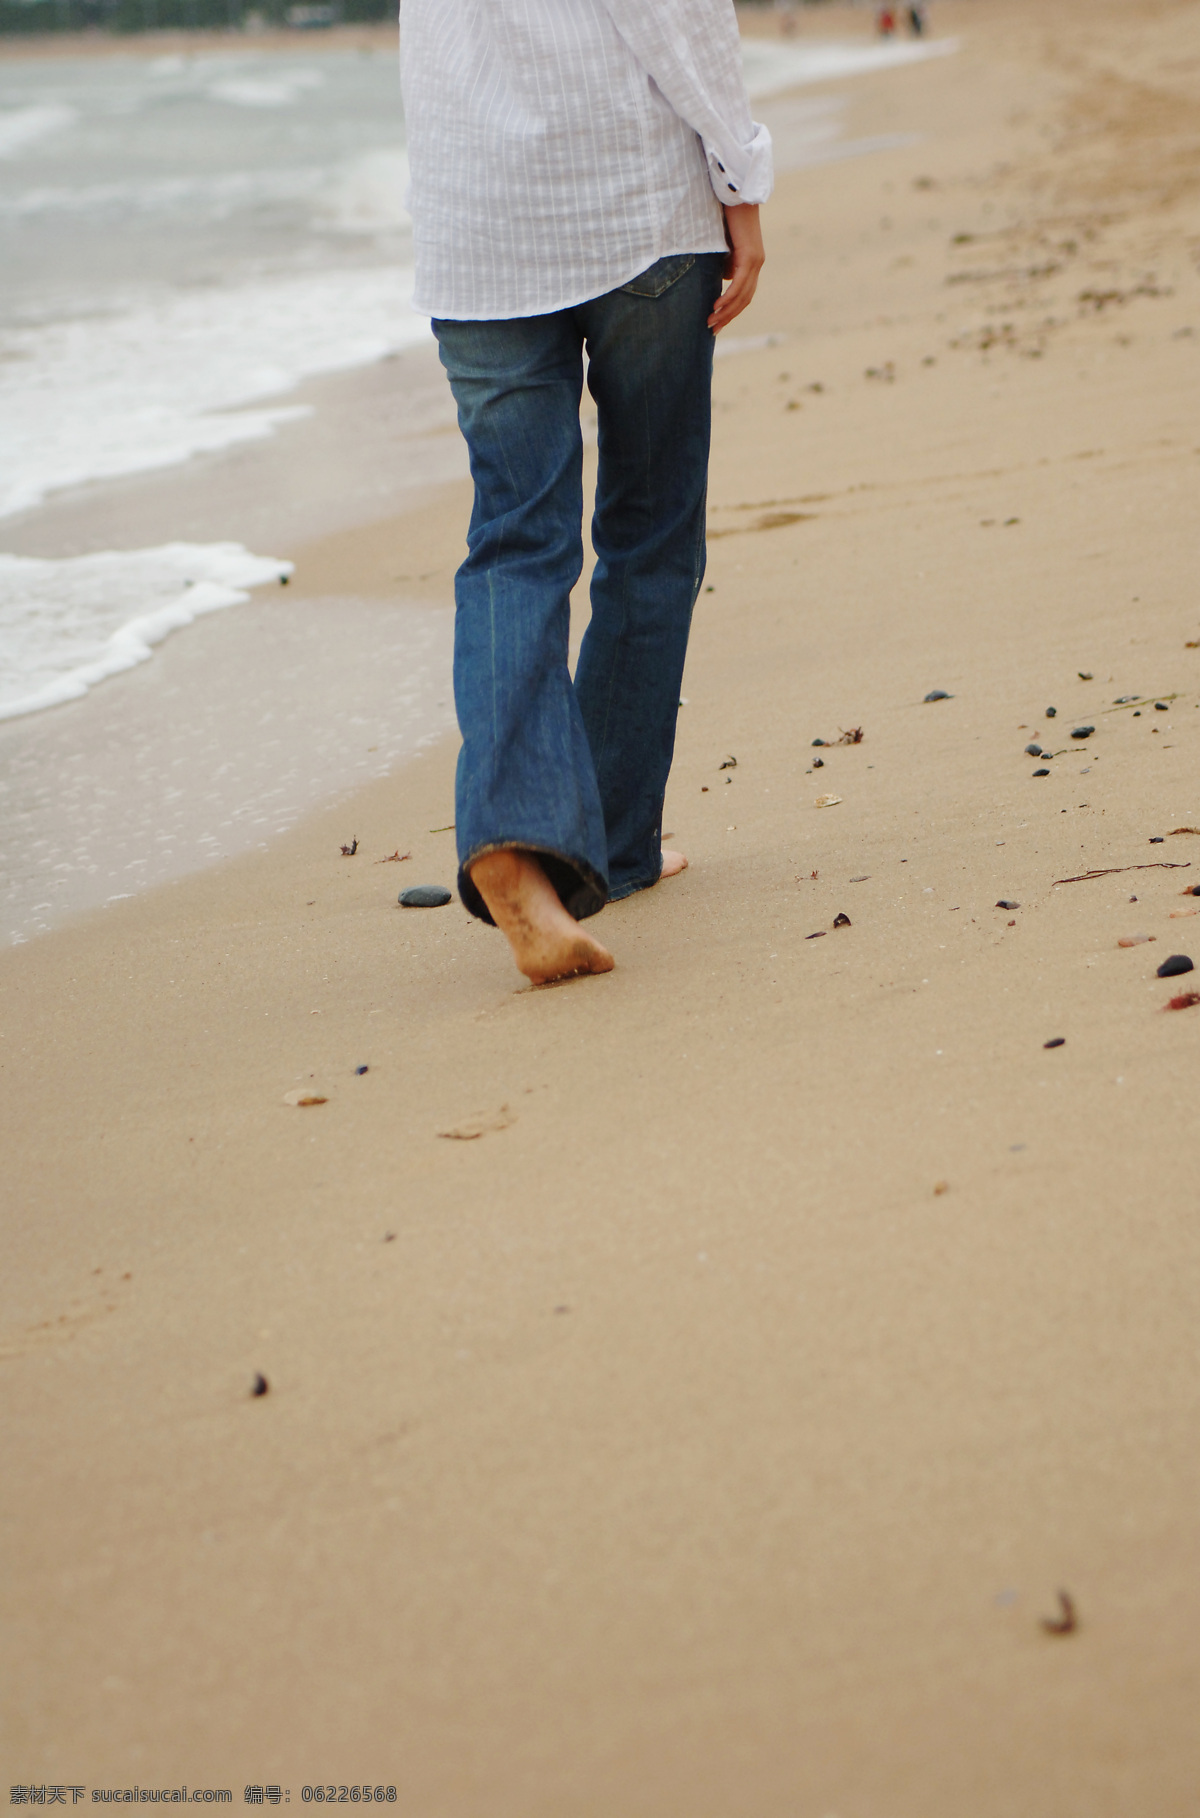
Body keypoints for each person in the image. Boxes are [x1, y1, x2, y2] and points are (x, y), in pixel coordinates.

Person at [400, 1, 771, 985]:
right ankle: (607, 846)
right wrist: (742, 174)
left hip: (474, 219)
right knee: (648, 533)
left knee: (514, 540)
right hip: (631, 199)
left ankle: (519, 839)